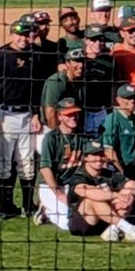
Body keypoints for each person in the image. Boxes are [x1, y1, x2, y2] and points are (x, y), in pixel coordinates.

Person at [0, 16, 42, 218]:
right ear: (11, 35)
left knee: (26, 161)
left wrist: (36, 113)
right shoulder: (0, 56)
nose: (23, 39)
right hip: (5, 114)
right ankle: (5, 205)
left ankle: (27, 205)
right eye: (19, 35)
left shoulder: (34, 56)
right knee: (3, 161)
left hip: (26, 114)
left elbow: (36, 88)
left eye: (26, 35)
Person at [65, 140, 135, 242]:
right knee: (93, 200)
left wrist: (127, 195)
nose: (99, 158)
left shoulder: (109, 174)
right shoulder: (78, 176)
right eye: (94, 155)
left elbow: (134, 185)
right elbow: (90, 193)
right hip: (82, 223)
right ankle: (130, 230)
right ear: (86, 157)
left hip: (105, 222)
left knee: (128, 193)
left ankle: (112, 230)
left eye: (101, 154)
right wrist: (116, 195)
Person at [36, 98, 87, 230]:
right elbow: (45, 168)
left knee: (86, 218)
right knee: (68, 224)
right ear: (59, 116)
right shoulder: (51, 138)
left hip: (73, 187)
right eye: (69, 114)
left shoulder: (82, 137)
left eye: (75, 113)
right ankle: (46, 210)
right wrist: (58, 193)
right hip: (52, 186)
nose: (73, 117)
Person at [101, 83, 135, 168]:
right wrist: (123, 174)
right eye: (128, 98)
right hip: (119, 169)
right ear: (118, 100)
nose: (132, 101)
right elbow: (109, 151)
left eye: (134, 97)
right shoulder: (113, 119)